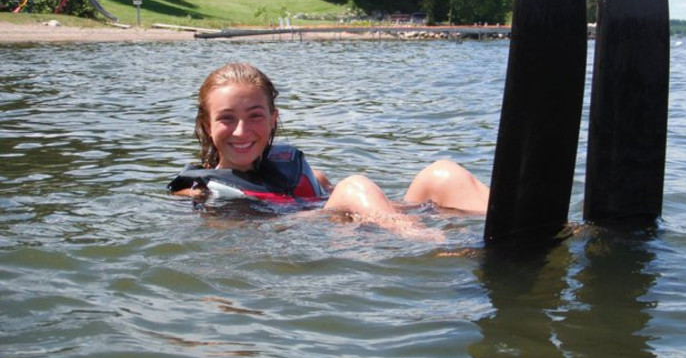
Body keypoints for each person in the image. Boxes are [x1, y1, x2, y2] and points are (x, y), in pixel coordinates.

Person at [169, 62, 489, 225]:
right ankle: (426, 244)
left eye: (255, 116)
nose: (242, 131)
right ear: (206, 125)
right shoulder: (198, 193)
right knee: (353, 186)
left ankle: (512, 229)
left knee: (443, 172)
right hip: (349, 240)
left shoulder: (302, 174)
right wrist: (340, 203)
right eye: (227, 118)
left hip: (376, 224)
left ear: (273, 119)